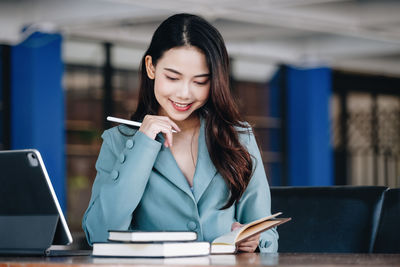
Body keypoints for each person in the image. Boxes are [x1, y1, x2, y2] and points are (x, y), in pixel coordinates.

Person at [82, 13, 278, 253]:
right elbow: (100, 234)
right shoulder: (119, 142)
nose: (185, 93)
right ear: (151, 67)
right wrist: (143, 144)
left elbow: (266, 232)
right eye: (173, 77)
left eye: (200, 81)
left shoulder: (238, 138)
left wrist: (256, 240)